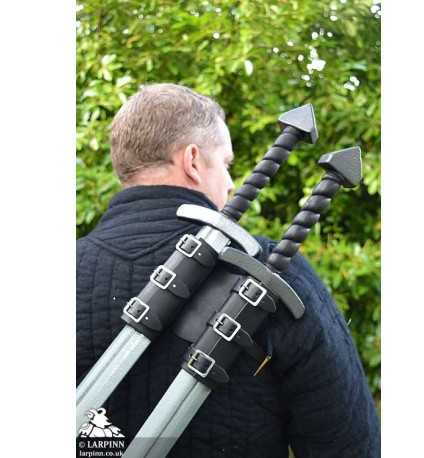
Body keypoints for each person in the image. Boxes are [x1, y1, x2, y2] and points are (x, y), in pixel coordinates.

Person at [77, 83, 380, 457]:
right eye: (226, 164)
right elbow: (351, 447)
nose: (232, 183)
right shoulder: (279, 273)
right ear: (192, 160)